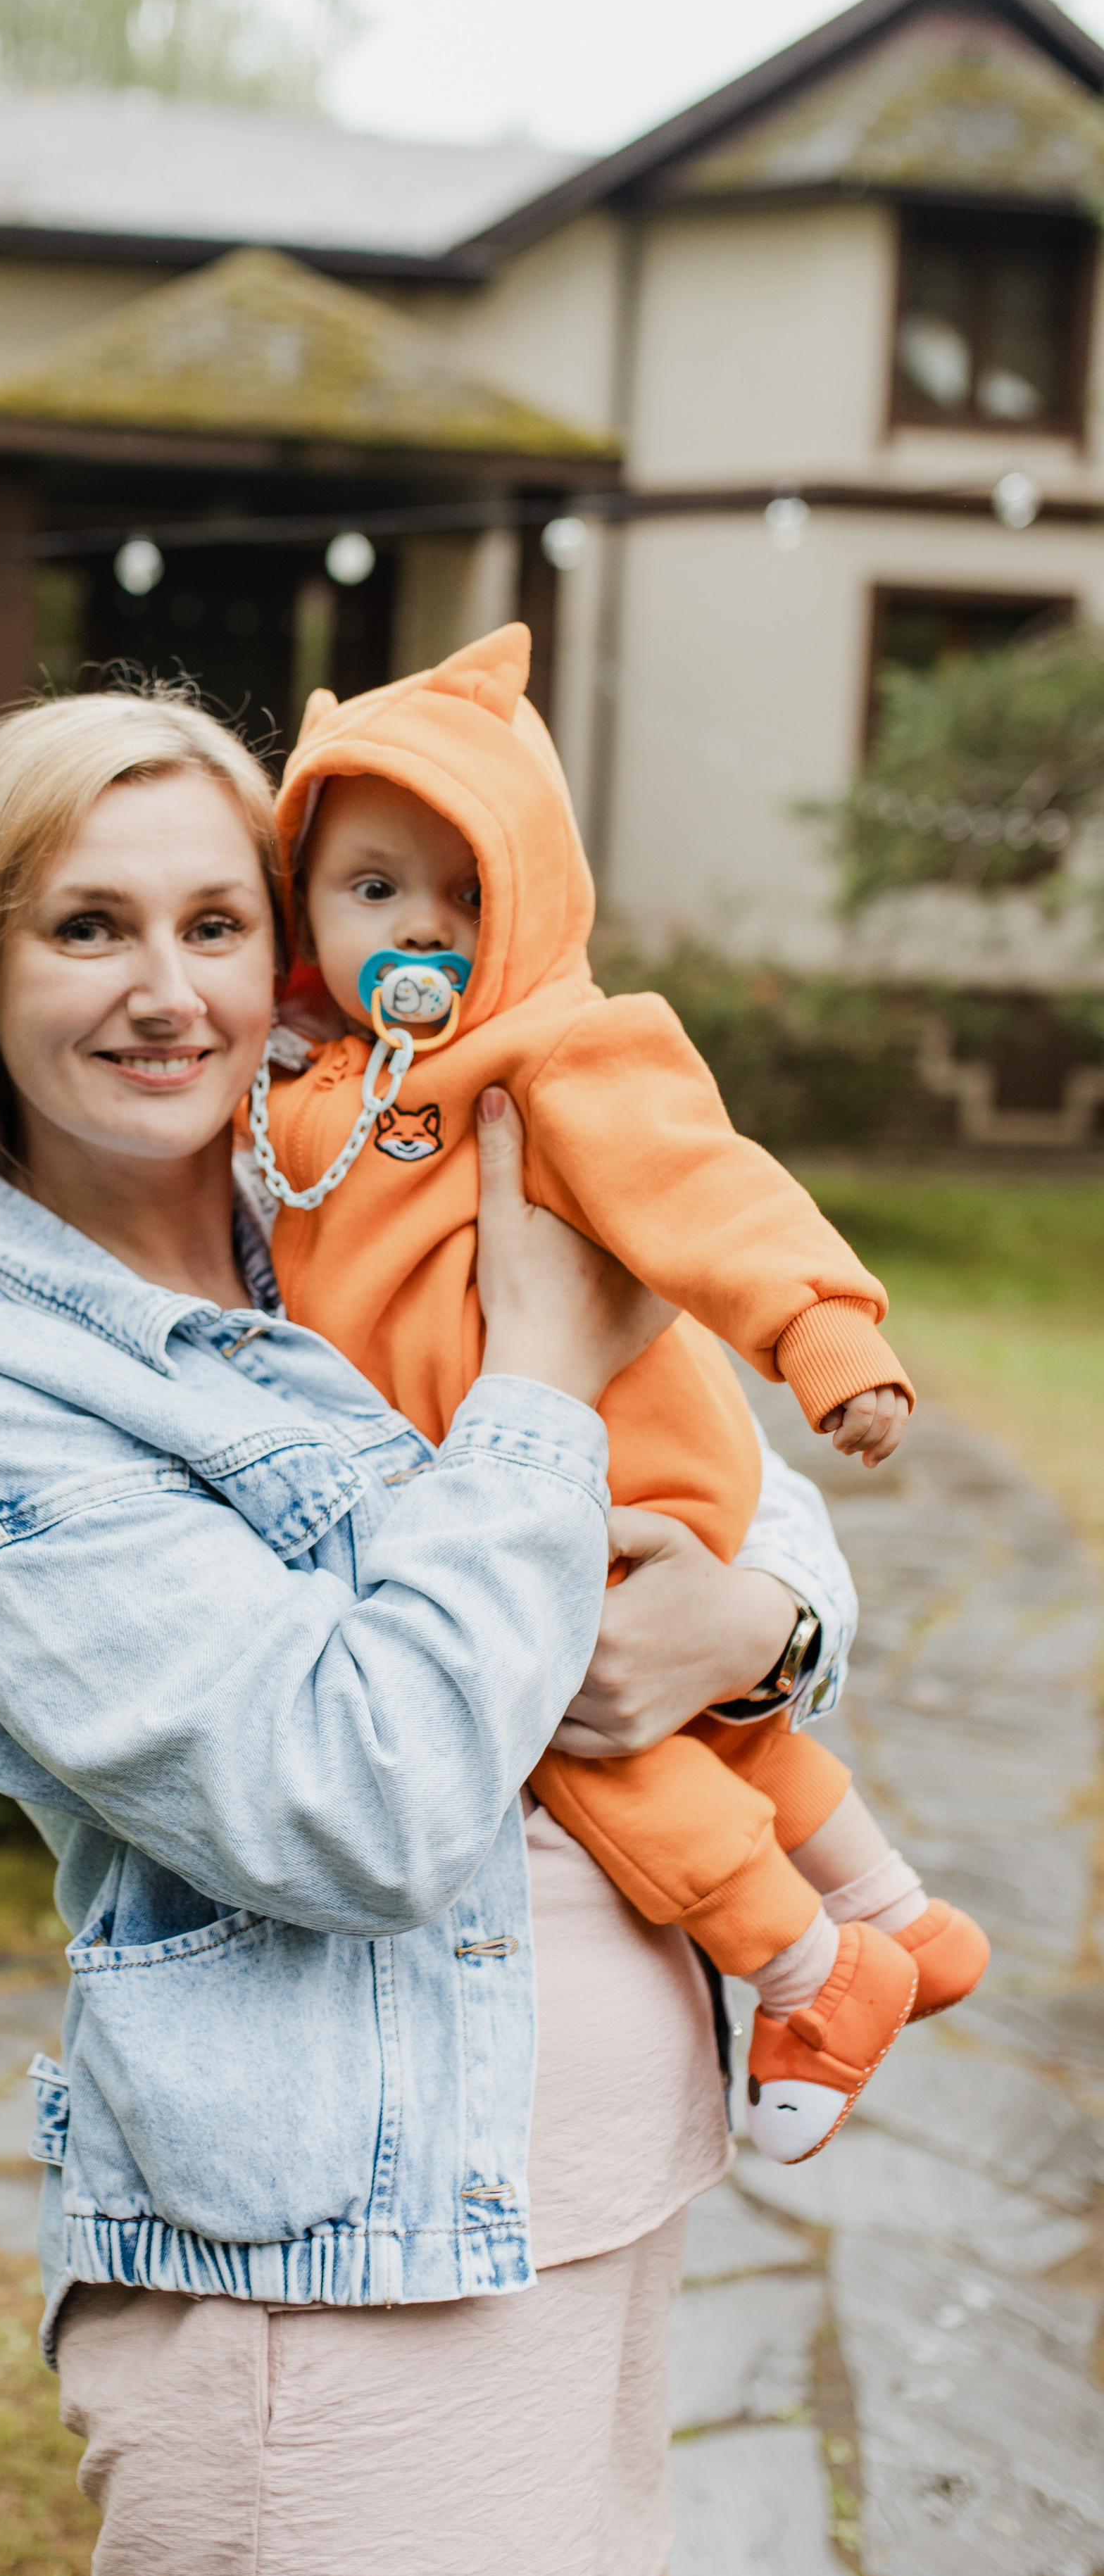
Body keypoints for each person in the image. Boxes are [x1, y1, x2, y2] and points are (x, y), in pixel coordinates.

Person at [0, 686, 864, 2576]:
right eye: (85, 925)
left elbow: (742, 1480)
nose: (165, 988)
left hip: (596, 2207)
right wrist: (536, 1388)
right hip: (335, 2297)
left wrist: (764, 1627)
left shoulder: (357, 1179)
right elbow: (354, 1802)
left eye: (214, 922)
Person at [256, 624, 987, 2163]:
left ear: (534, 901)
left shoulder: (552, 1048)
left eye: (471, 895)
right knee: (700, 1720)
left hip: (615, 1456)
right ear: (303, 906)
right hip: (511, 1467)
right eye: (374, 888)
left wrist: (826, 1334)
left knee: (572, 1737)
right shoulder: (302, 1089)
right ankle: (888, 1909)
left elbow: (706, 1187)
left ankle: (802, 1969)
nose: (427, 932)